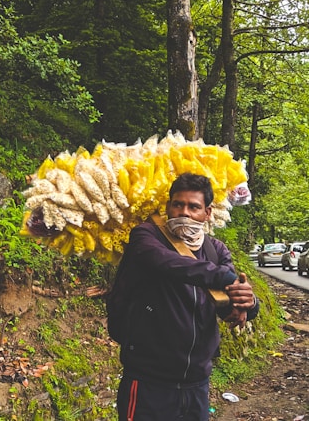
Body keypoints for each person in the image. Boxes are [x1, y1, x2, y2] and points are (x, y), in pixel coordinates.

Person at [107, 173, 259, 421]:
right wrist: (222, 276)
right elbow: (169, 264)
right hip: (149, 382)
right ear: (168, 207)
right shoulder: (147, 237)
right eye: (178, 204)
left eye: (194, 207)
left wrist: (248, 302)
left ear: (207, 213)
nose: (184, 212)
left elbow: (228, 305)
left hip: (197, 385)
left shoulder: (215, 250)